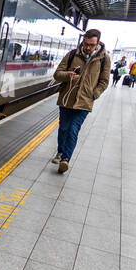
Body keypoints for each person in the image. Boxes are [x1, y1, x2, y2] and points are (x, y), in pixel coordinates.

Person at [51, 28, 111, 173]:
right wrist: (69, 75)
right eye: (86, 44)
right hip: (67, 99)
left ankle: (65, 159)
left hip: (85, 102)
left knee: (73, 130)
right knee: (64, 128)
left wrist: (94, 94)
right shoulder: (72, 54)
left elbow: (104, 81)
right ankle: (60, 151)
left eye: (91, 45)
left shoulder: (104, 59)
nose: (88, 47)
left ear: (98, 44)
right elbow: (57, 74)